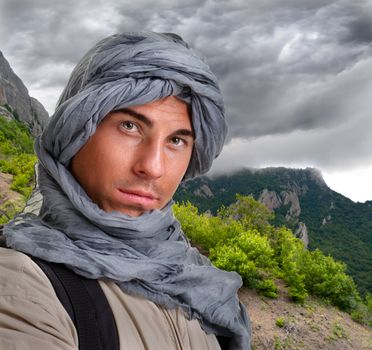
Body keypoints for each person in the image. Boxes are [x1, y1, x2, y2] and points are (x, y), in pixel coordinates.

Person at [0, 32, 251, 349]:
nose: (153, 167)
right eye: (130, 126)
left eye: (176, 140)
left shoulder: (196, 277)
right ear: (74, 132)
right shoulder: (22, 285)